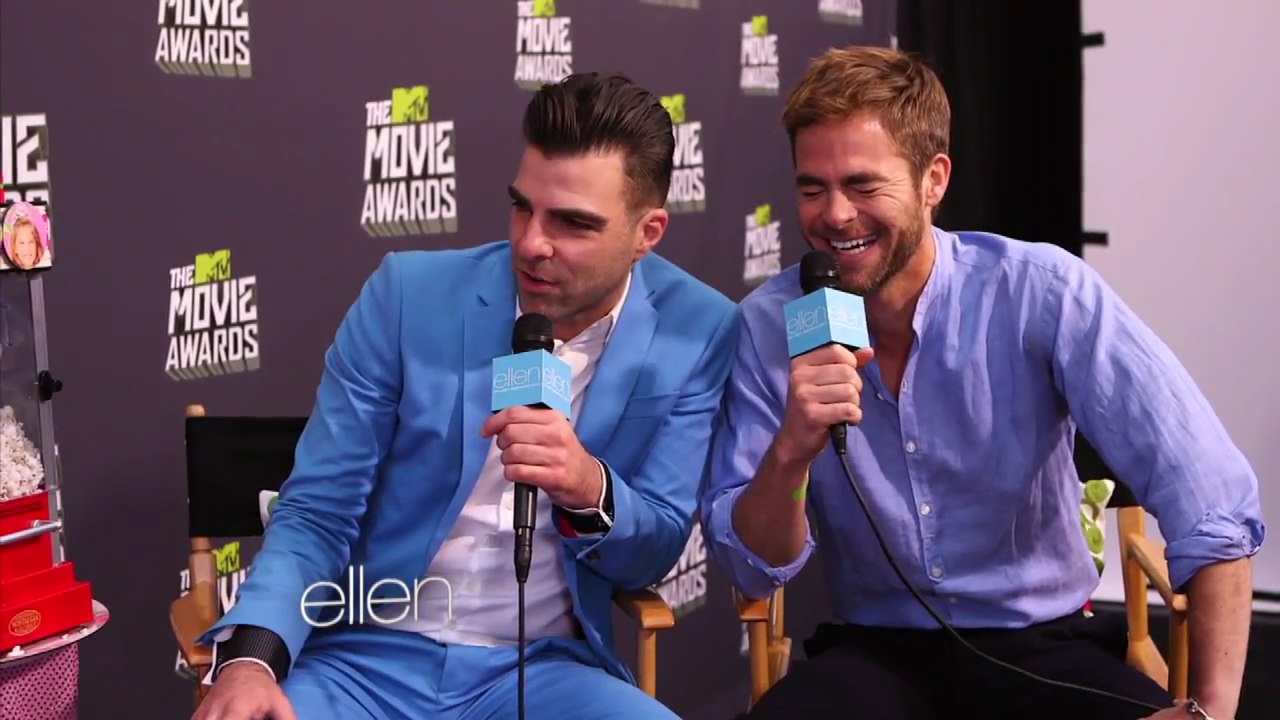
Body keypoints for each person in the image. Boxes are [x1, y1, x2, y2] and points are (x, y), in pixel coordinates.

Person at [700, 45, 1263, 720]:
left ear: (933, 180)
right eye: (812, 188)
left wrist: (1212, 710)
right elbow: (755, 566)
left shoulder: (1039, 292)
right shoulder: (771, 324)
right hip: (875, 656)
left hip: (1042, 645)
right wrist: (791, 452)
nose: (835, 215)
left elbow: (1211, 499)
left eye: (863, 185)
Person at [193, 72, 738, 720]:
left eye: (573, 223)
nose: (531, 244)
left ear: (647, 233)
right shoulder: (406, 297)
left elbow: (655, 547)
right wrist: (250, 661)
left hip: (544, 670)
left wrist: (588, 485)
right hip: (365, 658)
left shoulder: (697, 330)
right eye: (522, 207)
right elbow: (318, 509)